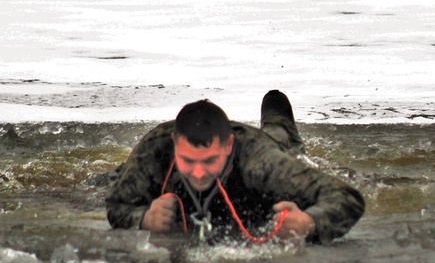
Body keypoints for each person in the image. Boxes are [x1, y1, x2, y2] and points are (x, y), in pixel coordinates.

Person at [106, 91, 365, 244]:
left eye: (209, 161)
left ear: (228, 145)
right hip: (158, 167)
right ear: (175, 145)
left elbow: (347, 198)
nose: (198, 172)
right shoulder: (154, 149)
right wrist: (143, 219)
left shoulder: (260, 161)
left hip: (262, 146)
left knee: (278, 139)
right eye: (188, 160)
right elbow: (117, 207)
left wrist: (309, 222)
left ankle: (279, 119)